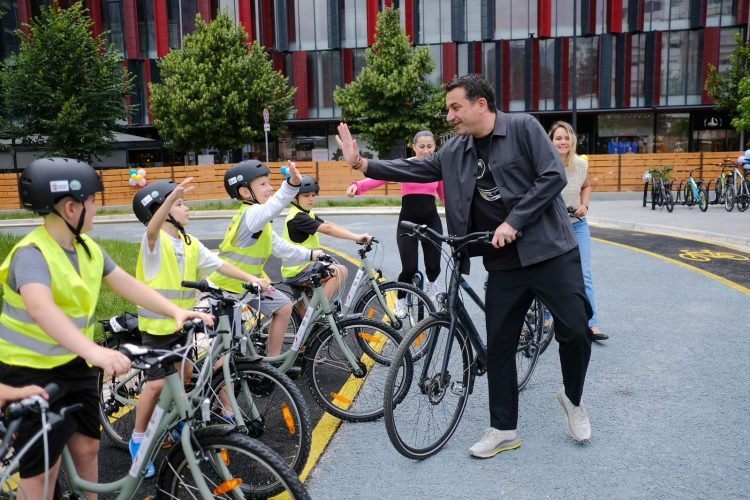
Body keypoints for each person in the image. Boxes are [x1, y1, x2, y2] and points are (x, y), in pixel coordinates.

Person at [336, 74, 594, 458]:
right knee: (501, 346)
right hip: (502, 259)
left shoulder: (522, 128)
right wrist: (361, 163)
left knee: (575, 331)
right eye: (448, 109)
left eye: (455, 107)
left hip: (549, 251)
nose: (450, 116)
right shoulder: (455, 150)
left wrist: (514, 221)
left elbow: (552, 176)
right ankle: (504, 428)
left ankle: (572, 398)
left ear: (481, 104)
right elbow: (416, 169)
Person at [0, 158, 212, 499]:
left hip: (74, 366)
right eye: (93, 201)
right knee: (44, 474)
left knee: (87, 451)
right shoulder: (32, 254)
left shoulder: (87, 249)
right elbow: (41, 308)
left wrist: (175, 310)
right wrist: (94, 351)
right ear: (71, 208)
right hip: (30, 373)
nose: (98, 207)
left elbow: (129, 285)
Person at [130, 177, 270, 478]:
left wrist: (252, 279)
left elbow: (220, 265)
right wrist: (171, 198)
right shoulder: (153, 242)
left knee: (187, 374)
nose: (187, 208)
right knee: (155, 385)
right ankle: (138, 439)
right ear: (162, 211)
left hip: (181, 324)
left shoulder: (189, 243)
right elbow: (153, 228)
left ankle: (178, 422)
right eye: (180, 205)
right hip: (156, 328)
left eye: (182, 203)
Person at [208, 160, 323, 357]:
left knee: (284, 305)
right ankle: (224, 388)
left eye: (269, 183)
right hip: (226, 291)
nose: (270, 188)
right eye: (263, 184)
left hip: (248, 286)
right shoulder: (252, 214)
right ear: (245, 193)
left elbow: (278, 246)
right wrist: (291, 185)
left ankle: (272, 362)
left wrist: (310, 254)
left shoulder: (259, 220)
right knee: (229, 353)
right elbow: (275, 206)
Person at [346, 131, 446, 307]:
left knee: (433, 265)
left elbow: (446, 198)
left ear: (435, 146)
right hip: (407, 222)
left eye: (429, 146)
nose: (425, 150)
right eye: (421, 146)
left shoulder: (437, 168)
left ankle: (432, 287)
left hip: (431, 221)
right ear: (413, 147)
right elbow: (380, 178)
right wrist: (357, 186)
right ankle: (400, 302)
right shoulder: (405, 166)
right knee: (409, 268)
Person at [548, 121, 608, 341]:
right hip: (551, 227)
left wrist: (585, 205)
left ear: (572, 140)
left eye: (566, 137)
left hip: (577, 224)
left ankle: (591, 324)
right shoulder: (543, 163)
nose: (563, 142)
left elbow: (587, 185)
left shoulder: (581, 164)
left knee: (584, 273)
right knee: (549, 274)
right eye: (558, 138)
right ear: (551, 141)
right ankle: (546, 317)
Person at [281, 175, 372, 301]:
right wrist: (356, 237)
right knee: (340, 271)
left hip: (301, 269)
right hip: (298, 271)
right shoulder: (298, 218)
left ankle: (315, 311)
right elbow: (327, 229)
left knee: (305, 319)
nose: (311, 199)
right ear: (295, 198)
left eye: (313, 195)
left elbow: (328, 224)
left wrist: (355, 236)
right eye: (306, 196)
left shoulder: (306, 214)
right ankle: (322, 308)